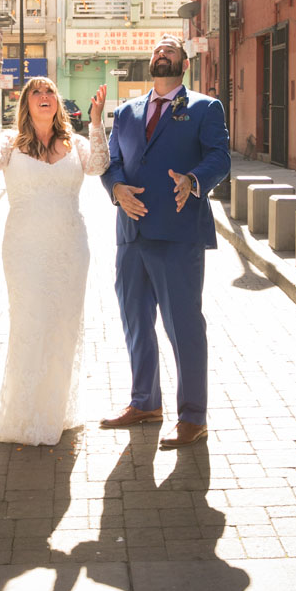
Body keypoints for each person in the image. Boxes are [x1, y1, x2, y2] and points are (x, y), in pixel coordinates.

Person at [100, 35, 230, 449]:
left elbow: (219, 158)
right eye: (158, 48)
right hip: (131, 235)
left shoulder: (205, 108)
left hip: (177, 234)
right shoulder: (125, 112)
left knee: (183, 327)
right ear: (150, 61)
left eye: (171, 49)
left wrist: (194, 181)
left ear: (184, 64)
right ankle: (145, 402)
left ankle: (193, 416)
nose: (162, 51)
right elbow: (111, 162)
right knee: (136, 322)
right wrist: (116, 188)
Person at [0, 77, 109, 446]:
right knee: (30, 323)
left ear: (58, 102)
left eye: (49, 91)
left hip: (70, 247)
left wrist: (97, 121)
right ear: (26, 104)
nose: (44, 96)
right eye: (36, 92)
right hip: (24, 248)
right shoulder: (9, 143)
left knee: (64, 325)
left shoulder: (77, 143)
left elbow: (98, 166)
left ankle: (57, 409)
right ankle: (21, 412)